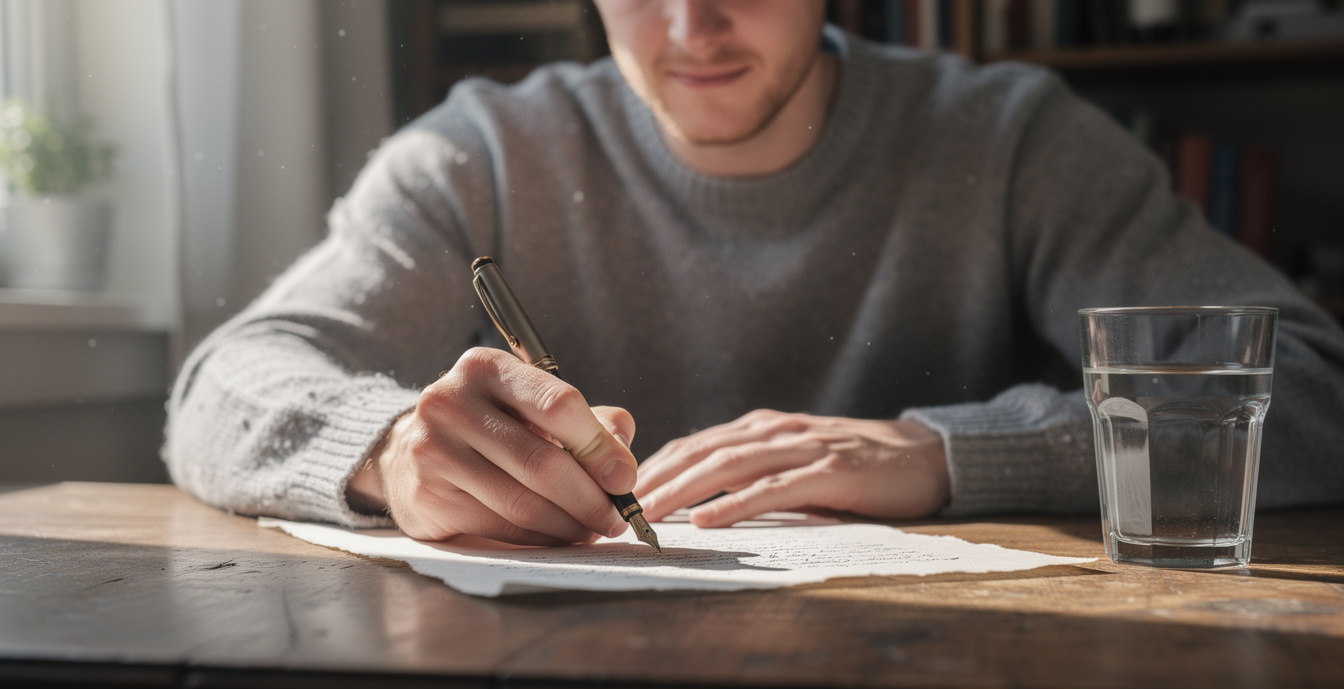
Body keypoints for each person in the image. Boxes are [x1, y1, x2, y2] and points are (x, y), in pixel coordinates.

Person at [165, 0, 1344, 547]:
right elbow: (225, 384)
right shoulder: (477, 153)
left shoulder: (1011, 139)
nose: (693, 26)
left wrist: (955, 454)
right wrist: (385, 452)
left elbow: (1312, 384)